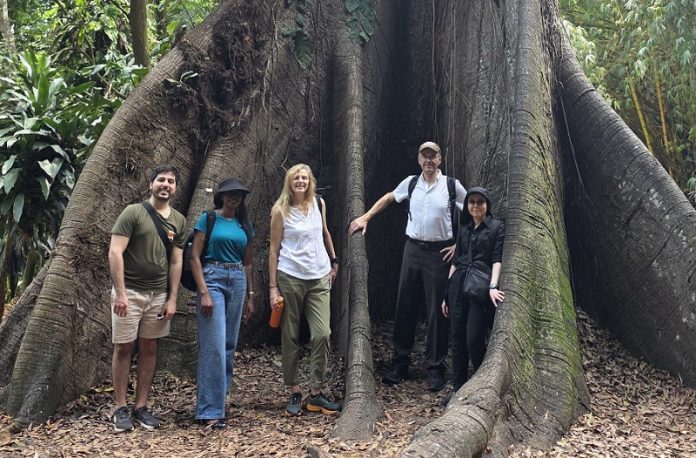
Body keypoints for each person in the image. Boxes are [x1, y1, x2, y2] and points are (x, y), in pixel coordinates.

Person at [349, 141, 466, 391]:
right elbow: (389, 198)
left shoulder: (451, 186)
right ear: (419, 160)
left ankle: (435, 368)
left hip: (439, 252)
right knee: (405, 305)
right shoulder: (411, 183)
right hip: (412, 249)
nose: (429, 160)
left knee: (437, 310)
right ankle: (400, 363)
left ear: (440, 159)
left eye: (433, 156)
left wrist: (460, 244)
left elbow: (473, 210)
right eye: (425, 156)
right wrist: (366, 217)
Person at [109, 164, 187, 432]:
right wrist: (120, 293)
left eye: (171, 181)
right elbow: (115, 252)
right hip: (129, 293)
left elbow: (176, 261)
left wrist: (172, 299)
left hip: (158, 295)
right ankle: (120, 407)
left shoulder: (179, 220)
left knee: (150, 348)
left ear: (175, 188)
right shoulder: (133, 212)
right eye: (161, 180)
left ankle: (140, 406)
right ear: (150, 184)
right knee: (123, 348)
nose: (166, 185)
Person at [268, 164, 341, 416]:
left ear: (310, 182)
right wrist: (272, 287)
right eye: (296, 178)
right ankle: (294, 390)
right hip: (290, 275)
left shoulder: (319, 203)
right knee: (290, 334)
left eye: (304, 178)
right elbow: (273, 249)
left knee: (322, 333)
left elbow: (325, 232)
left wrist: (334, 260)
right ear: (289, 182)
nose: (300, 181)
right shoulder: (280, 210)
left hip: (319, 276)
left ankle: (315, 393)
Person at [190, 177, 255, 429]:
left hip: (237, 279)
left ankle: (219, 401)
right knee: (214, 345)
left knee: (228, 345)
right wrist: (204, 292)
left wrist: (251, 295)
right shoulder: (208, 219)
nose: (234, 197)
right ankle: (209, 411)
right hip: (212, 277)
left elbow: (247, 262)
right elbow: (194, 257)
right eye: (229, 193)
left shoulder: (245, 224)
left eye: (238, 193)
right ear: (221, 196)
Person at [441, 186, 504, 398]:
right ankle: (458, 388)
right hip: (458, 286)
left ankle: (481, 384)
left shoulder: (496, 227)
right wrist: (447, 294)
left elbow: (496, 259)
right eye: (472, 202)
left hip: (479, 289)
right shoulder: (464, 229)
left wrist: (493, 286)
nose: (475, 206)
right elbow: (456, 261)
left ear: (487, 205)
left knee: (473, 339)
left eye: (480, 202)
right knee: (457, 339)